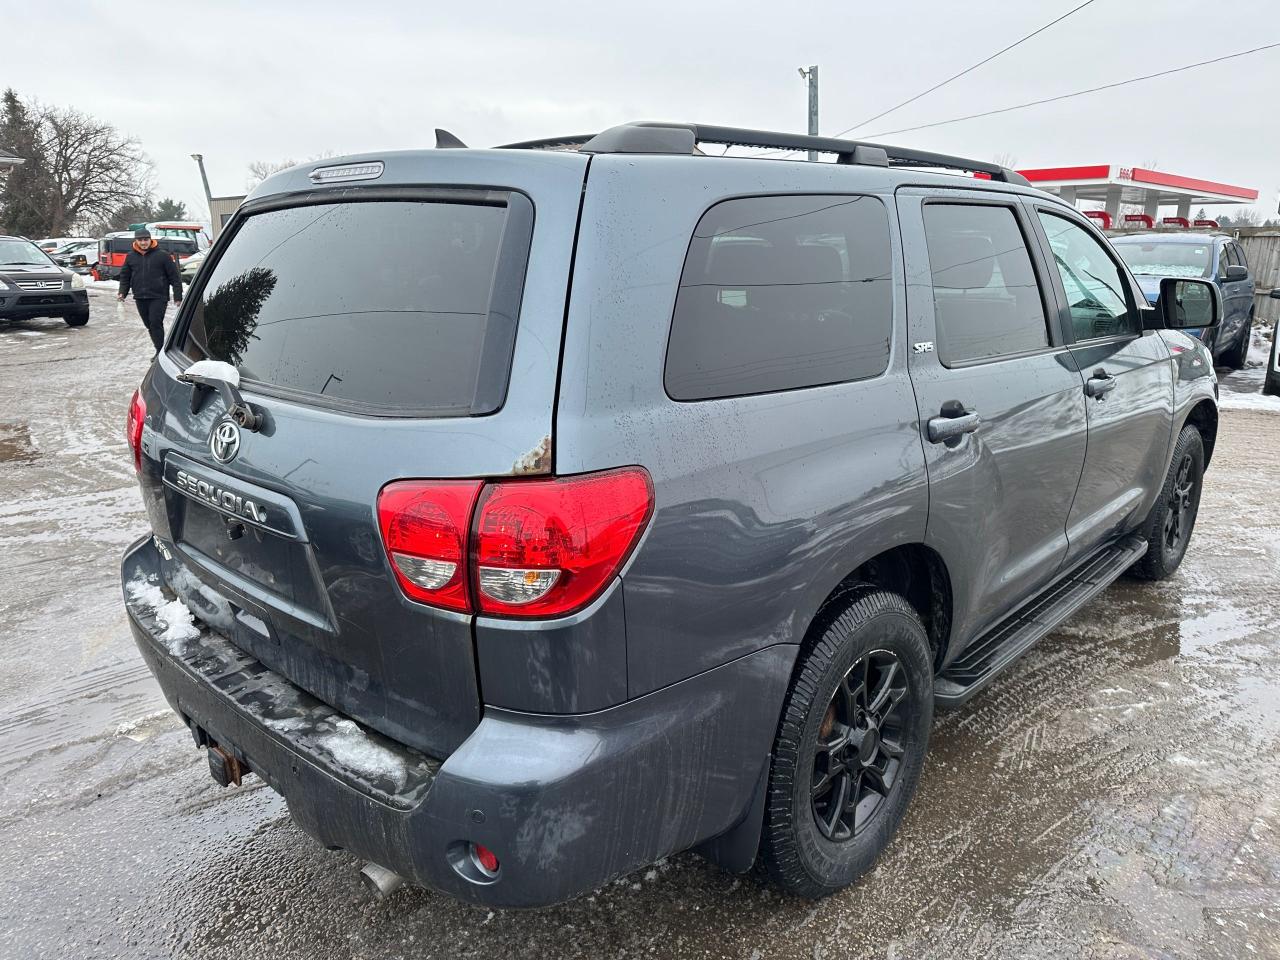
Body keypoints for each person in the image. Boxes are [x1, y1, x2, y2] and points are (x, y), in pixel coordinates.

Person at [117, 228, 182, 355]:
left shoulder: (162, 255)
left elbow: (174, 277)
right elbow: (125, 276)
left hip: (159, 296)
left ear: (150, 240)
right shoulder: (130, 257)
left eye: (145, 240)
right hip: (140, 297)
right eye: (140, 240)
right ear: (136, 241)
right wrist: (122, 292)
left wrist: (177, 296)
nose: (143, 243)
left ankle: (160, 351)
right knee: (149, 325)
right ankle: (160, 346)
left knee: (155, 322)